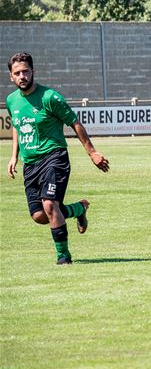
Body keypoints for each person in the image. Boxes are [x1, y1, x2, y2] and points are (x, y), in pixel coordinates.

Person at [6, 52, 110, 265]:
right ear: (11, 76)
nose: (22, 75)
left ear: (33, 71)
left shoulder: (50, 97)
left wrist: (92, 152)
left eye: (26, 71)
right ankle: (78, 209)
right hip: (30, 164)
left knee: (50, 205)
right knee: (39, 216)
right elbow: (17, 125)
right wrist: (13, 156)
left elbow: (75, 122)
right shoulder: (11, 100)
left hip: (54, 157)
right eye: (17, 73)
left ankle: (64, 256)